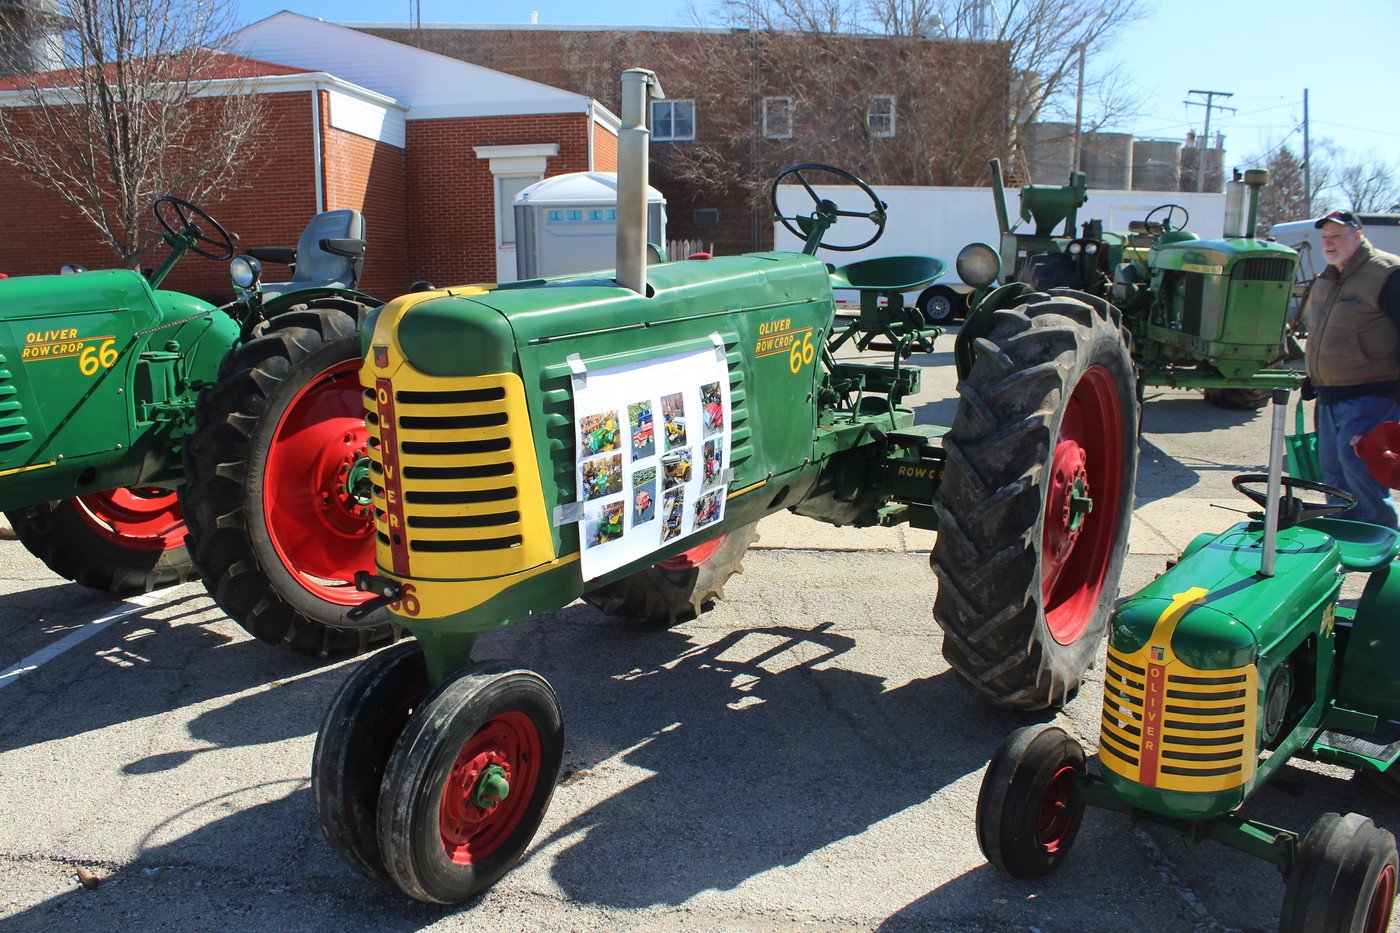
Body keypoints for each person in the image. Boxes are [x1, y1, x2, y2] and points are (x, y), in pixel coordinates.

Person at [1303, 209, 1400, 528]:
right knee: (1332, 470)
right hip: (1330, 393)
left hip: (1372, 393)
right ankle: (1346, 533)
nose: (1329, 243)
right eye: (1325, 237)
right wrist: (1312, 375)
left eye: (1338, 236)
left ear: (1358, 236)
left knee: (1361, 468)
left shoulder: (1387, 272)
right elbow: (1321, 334)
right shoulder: (1327, 278)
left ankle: (1382, 536)